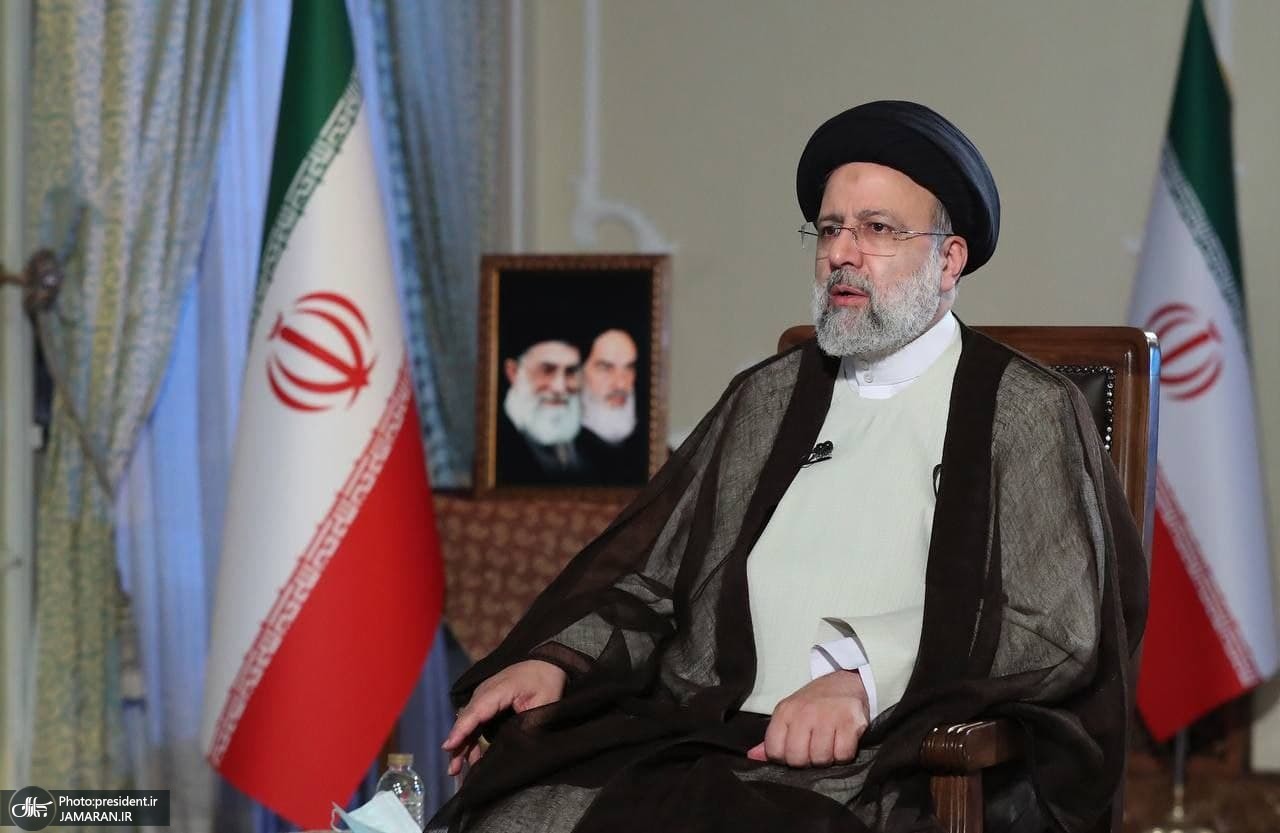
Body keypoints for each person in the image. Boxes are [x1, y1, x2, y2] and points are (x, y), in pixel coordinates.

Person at [434, 101, 1146, 833]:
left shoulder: (1022, 409)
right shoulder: (767, 398)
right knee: (515, 815)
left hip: (883, 757)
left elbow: (1053, 624)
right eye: (830, 229)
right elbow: (654, 581)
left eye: (878, 229)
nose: (843, 253)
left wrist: (862, 680)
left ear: (949, 259)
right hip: (708, 730)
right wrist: (558, 661)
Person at [495, 334, 591, 485]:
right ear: (513, 372)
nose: (560, 387)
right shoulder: (494, 445)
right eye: (547, 370)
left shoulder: (590, 444)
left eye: (571, 372)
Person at [577, 328, 649, 484]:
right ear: (579, 374)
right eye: (606, 368)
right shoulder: (557, 458)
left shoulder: (655, 452)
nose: (621, 384)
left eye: (629, 368)